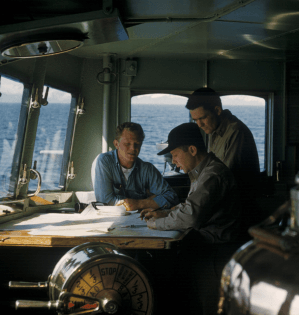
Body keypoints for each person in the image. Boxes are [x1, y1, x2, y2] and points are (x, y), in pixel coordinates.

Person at [140, 122, 242, 315]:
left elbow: (191, 217)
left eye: (176, 155)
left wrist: (154, 224)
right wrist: (166, 213)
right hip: (207, 247)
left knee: (209, 308)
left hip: (216, 253)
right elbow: (193, 207)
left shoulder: (213, 175)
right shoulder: (203, 172)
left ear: (192, 150)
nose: (174, 162)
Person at [186, 87, 261, 233]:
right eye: (195, 120)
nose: (199, 125)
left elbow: (221, 179)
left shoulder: (235, 132)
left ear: (217, 110)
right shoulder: (214, 130)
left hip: (236, 217)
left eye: (202, 118)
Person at [92, 122, 179, 211]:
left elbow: (172, 197)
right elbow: (105, 202)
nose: (133, 148)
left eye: (137, 144)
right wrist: (149, 200)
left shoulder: (147, 169)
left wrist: (139, 203)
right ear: (116, 144)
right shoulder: (104, 161)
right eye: (127, 144)